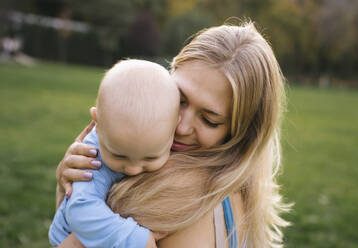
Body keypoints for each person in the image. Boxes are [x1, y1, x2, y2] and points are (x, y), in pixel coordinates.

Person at [55, 21, 291, 248]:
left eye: (209, 120)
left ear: (241, 135)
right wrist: (66, 186)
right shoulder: (234, 190)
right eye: (180, 100)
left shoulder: (174, 196)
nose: (181, 127)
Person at [49, 59, 180, 247]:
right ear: (98, 122)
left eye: (150, 157)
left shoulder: (158, 132)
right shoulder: (91, 158)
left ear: (174, 127)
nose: (133, 169)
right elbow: (80, 211)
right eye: (120, 156)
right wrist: (136, 239)